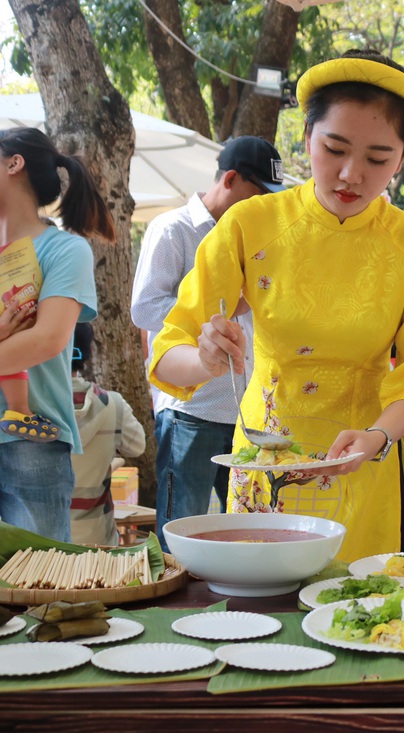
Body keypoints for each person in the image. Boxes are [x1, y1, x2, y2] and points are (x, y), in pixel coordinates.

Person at [148, 50, 404, 562]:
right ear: (306, 140)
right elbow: (167, 351)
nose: (352, 174)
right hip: (264, 459)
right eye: (334, 149)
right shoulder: (251, 224)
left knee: (363, 617)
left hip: (365, 458)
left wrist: (377, 437)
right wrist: (205, 357)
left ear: (401, 161)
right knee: (264, 613)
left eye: (378, 159)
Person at [131, 136, 284, 543]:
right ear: (230, 179)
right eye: (259, 194)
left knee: (246, 531)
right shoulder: (172, 229)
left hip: (246, 413)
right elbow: (145, 308)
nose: (263, 206)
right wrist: (217, 311)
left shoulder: (258, 240)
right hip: (191, 409)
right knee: (179, 530)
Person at [0, 127, 112, 541]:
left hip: (30, 439)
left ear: (14, 163)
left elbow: (47, 340)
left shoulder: (64, 250)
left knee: (38, 587)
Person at [69, 323, 146, 546]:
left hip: (37, 544)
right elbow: (137, 446)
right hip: (99, 542)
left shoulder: (25, 408)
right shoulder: (113, 404)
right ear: (88, 353)